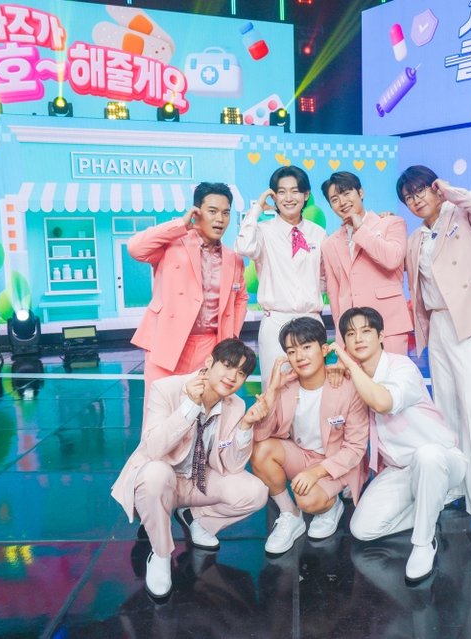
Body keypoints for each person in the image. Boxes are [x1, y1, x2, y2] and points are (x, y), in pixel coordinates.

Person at [398, 165, 471, 549]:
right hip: (439, 325)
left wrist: (452, 191)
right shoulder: (416, 238)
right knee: (447, 411)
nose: (416, 200)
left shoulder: (463, 214)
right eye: (408, 196)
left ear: (436, 188)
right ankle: (455, 486)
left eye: (421, 190)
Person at [110, 338, 269, 598]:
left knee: (256, 492)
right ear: (209, 363)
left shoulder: (236, 405)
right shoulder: (166, 389)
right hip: (161, 482)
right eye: (228, 366)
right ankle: (160, 555)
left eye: (241, 373)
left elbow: (232, 466)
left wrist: (245, 427)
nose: (232, 377)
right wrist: (190, 406)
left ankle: (197, 520)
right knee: (155, 473)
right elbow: (154, 449)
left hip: (197, 481)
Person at [330, 307, 468, 582]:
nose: (358, 339)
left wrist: (348, 364)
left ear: (381, 336)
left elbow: (383, 402)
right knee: (362, 529)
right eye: (351, 334)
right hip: (399, 469)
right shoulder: (354, 376)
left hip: (442, 458)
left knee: (427, 456)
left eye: (366, 331)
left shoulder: (401, 367)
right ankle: (432, 502)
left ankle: (424, 543)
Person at [249, 316, 369, 554]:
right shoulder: (285, 386)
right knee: (260, 450)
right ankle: (289, 514)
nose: (300, 356)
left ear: (323, 350)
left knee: (307, 500)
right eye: (292, 351)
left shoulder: (347, 387)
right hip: (302, 455)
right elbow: (261, 436)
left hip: (335, 462)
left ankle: (331, 507)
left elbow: (356, 447)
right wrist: (271, 392)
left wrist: (316, 472)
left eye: (306, 347)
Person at [127, 182, 248, 390]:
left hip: (211, 347)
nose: (220, 219)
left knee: (201, 406)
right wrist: (180, 225)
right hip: (167, 341)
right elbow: (135, 248)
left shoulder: (233, 259)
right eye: (212, 211)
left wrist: (231, 336)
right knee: (160, 406)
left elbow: (241, 298)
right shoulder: (172, 245)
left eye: (226, 213)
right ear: (196, 212)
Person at [235, 166, 326, 372]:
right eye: (282, 192)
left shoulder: (318, 233)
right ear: (274, 197)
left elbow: (324, 276)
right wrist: (257, 209)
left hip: (311, 320)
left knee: (313, 384)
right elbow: (244, 247)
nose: (289, 198)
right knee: (276, 383)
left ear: (306, 195)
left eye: (295, 191)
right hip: (276, 321)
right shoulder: (263, 231)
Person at [321, 172, 411, 354]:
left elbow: (392, 259)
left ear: (360, 192)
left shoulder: (391, 223)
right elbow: (334, 292)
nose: (342, 202)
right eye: (335, 199)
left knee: (392, 372)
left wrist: (360, 228)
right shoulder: (330, 243)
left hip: (389, 324)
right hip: (352, 332)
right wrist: (340, 336)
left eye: (346, 193)